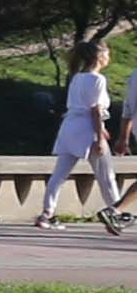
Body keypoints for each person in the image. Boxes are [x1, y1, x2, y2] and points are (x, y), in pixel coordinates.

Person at [38, 36, 129, 234]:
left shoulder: (77, 77)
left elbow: (82, 106)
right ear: (100, 57)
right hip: (87, 129)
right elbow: (95, 110)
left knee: (59, 174)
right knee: (106, 175)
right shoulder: (98, 79)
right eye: (107, 54)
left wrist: (101, 128)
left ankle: (46, 213)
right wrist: (99, 137)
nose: (109, 58)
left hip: (69, 127)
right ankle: (115, 213)